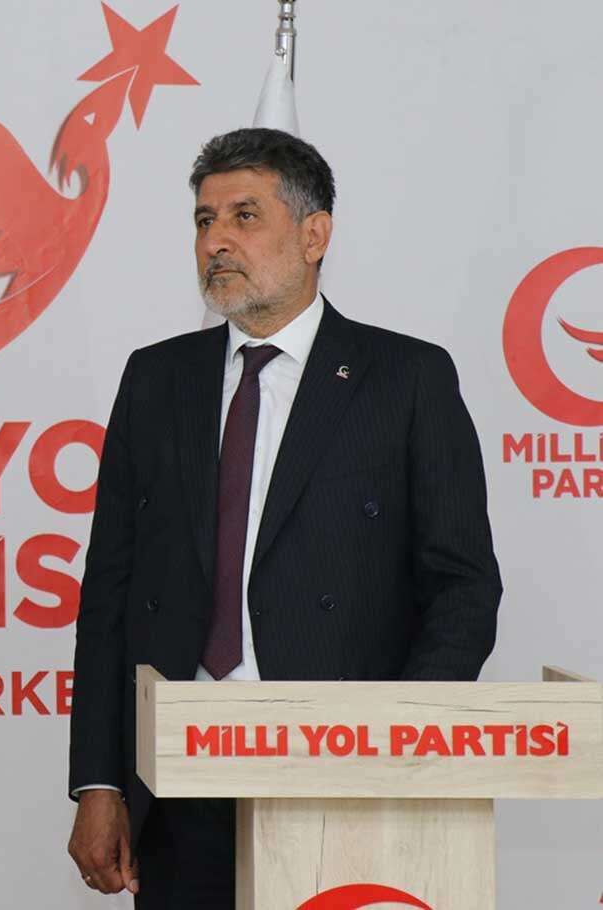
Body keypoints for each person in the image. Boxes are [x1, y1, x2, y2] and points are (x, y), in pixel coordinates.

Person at [65, 128, 501, 909]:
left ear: (314, 234)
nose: (216, 241)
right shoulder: (155, 379)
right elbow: (110, 595)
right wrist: (99, 781)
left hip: (345, 770)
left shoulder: (406, 378)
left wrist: (399, 742)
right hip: (181, 775)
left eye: (244, 216)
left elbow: (462, 587)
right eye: (204, 221)